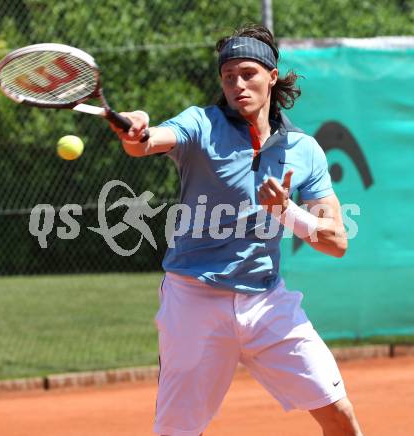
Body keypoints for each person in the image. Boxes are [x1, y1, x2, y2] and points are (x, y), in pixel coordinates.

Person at [111, 24, 363, 436]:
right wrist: (136, 133)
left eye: (248, 73)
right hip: (194, 300)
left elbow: (337, 242)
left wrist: (285, 211)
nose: (237, 85)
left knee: (340, 416)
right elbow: (149, 140)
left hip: (267, 303)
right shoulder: (200, 125)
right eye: (229, 77)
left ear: (272, 75)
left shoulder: (304, 149)